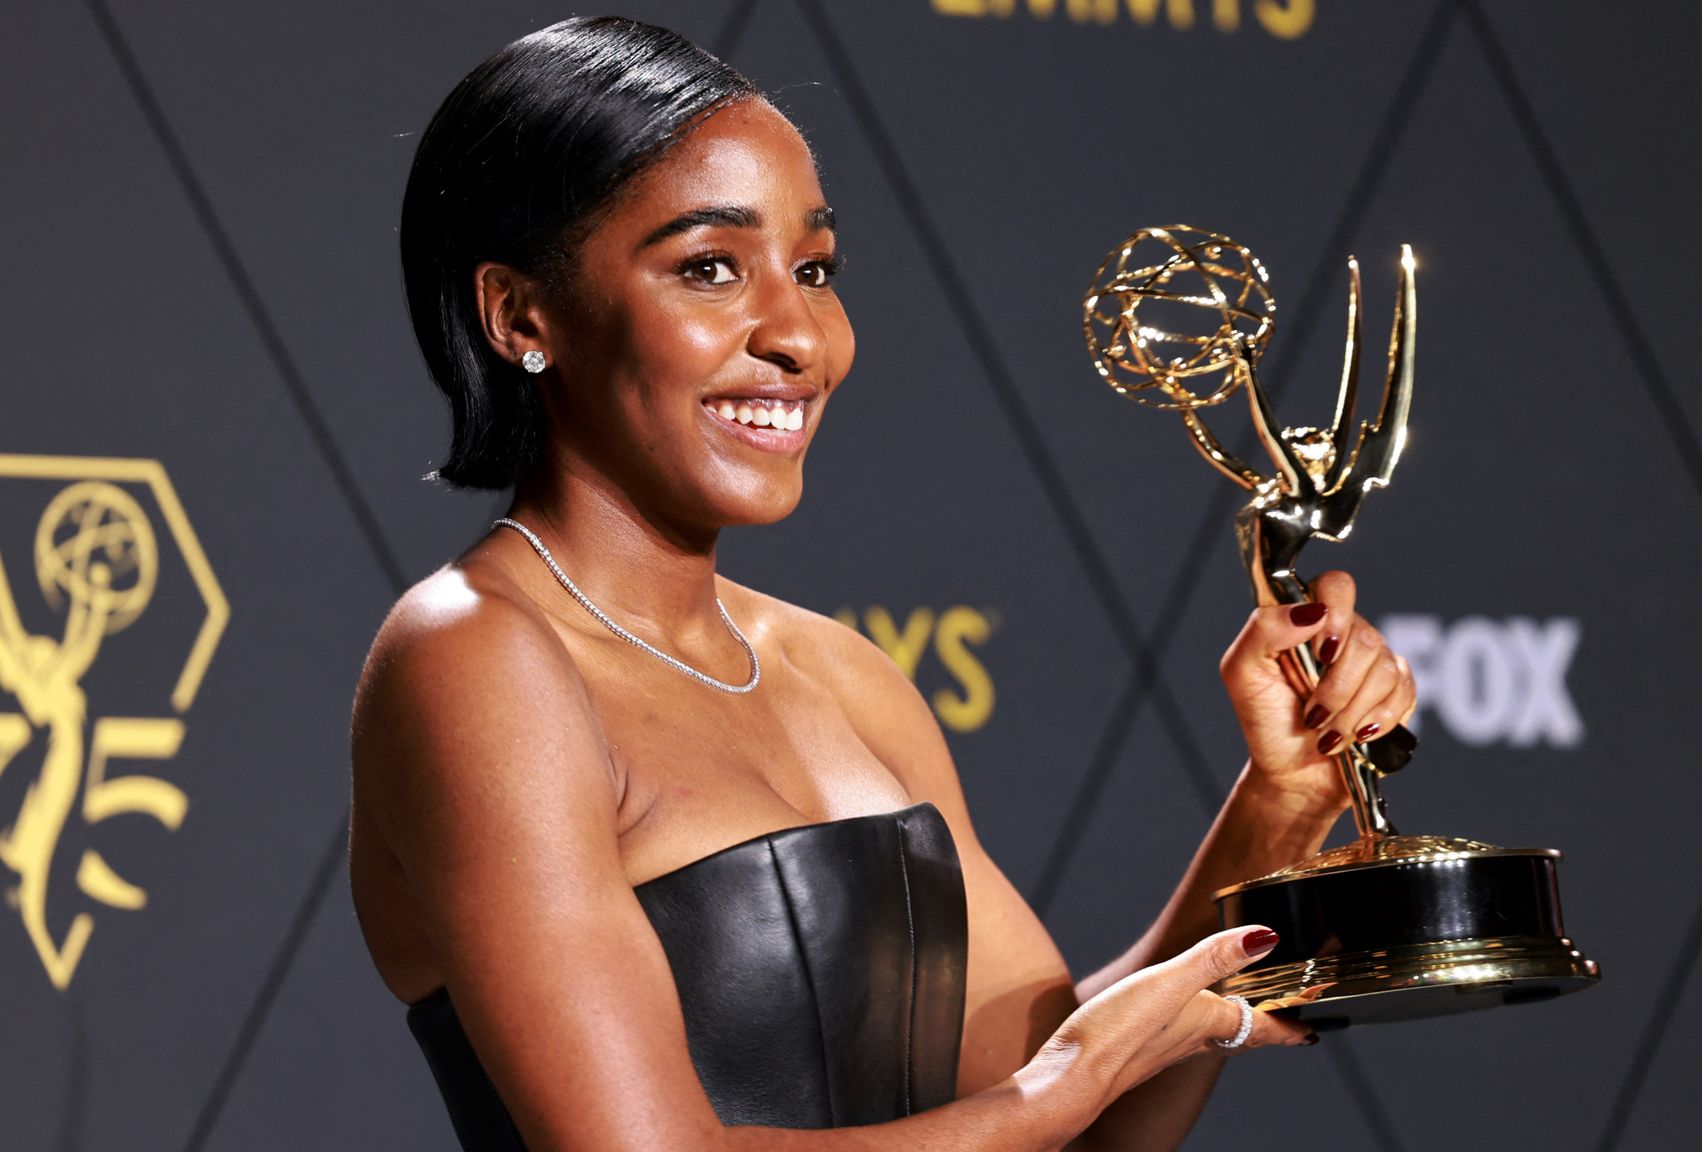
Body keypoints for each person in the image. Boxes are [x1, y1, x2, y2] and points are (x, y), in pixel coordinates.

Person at [349, 15, 1417, 1151]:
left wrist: (1276, 807)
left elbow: (1066, 1117)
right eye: (709, 268)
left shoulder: (842, 675)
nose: (798, 336)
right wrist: (1056, 1092)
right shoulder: (474, 658)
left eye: (813, 270)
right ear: (522, 315)